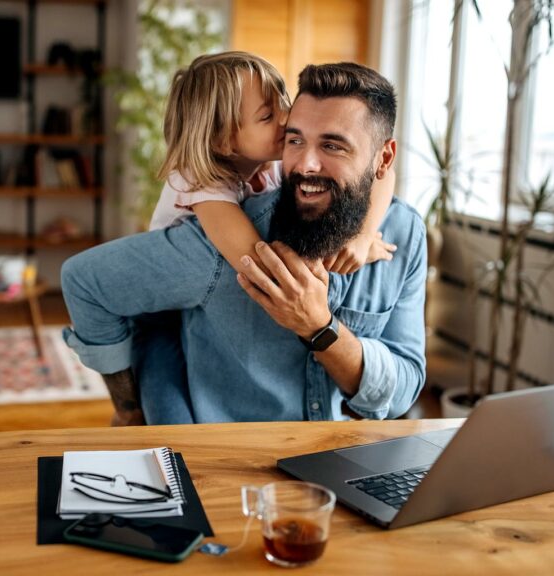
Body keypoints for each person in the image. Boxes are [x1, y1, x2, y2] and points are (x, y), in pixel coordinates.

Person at [62, 62, 427, 424]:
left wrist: (361, 237)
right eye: (294, 138)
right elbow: (85, 281)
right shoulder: (215, 214)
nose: (304, 163)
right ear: (224, 140)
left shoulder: (402, 233)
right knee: (164, 406)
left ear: (383, 156)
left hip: (341, 459)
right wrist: (127, 408)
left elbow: (402, 392)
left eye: (332, 145)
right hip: (179, 368)